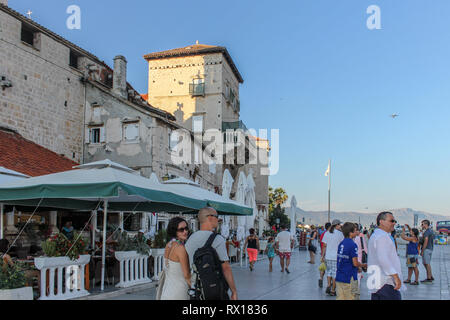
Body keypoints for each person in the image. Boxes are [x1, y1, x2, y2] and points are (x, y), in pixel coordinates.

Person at [185, 207, 238, 300]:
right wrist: (234, 291)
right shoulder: (218, 239)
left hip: (195, 289)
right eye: (217, 216)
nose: (218, 219)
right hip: (214, 289)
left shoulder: (190, 239)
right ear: (210, 218)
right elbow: (226, 268)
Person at [368, 212, 404, 300]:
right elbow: (383, 258)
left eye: (394, 221)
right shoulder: (382, 237)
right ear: (381, 222)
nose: (394, 223)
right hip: (386, 282)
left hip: (376, 282)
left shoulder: (375, 235)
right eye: (391, 221)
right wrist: (396, 277)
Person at [160, 217, 191, 300]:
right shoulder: (181, 248)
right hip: (180, 292)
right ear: (174, 231)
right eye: (181, 230)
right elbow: (187, 275)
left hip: (167, 292)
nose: (185, 231)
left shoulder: (169, 245)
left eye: (186, 228)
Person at [336, 223, 367, 300]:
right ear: (350, 233)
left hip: (340, 276)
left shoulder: (341, 243)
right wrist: (363, 265)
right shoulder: (353, 245)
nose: (357, 232)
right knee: (352, 297)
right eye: (355, 231)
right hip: (349, 277)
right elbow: (355, 263)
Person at [321, 219, 344, 296]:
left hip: (328, 256)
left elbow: (324, 245)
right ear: (337, 225)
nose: (340, 226)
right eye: (339, 225)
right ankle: (333, 290)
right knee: (335, 274)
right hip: (336, 257)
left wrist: (323, 256)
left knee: (329, 272)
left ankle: (328, 285)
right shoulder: (340, 234)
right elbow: (342, 245)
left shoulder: (327, 233)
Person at [353, 223, 368, 298]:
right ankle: (356, 292)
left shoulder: (348, 239)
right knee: (358, 276)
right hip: (359, 260)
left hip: (350, 261)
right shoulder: (360, 238)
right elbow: (365, 250)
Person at [318, 222, 331, 288]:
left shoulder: (322, 234)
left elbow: (321, 244)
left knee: (323, 267)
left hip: (323, 252)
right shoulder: (330, 234)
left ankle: (321, 278)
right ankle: (329, 283)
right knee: (330, 269)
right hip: (328, 253)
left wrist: (322, 254)